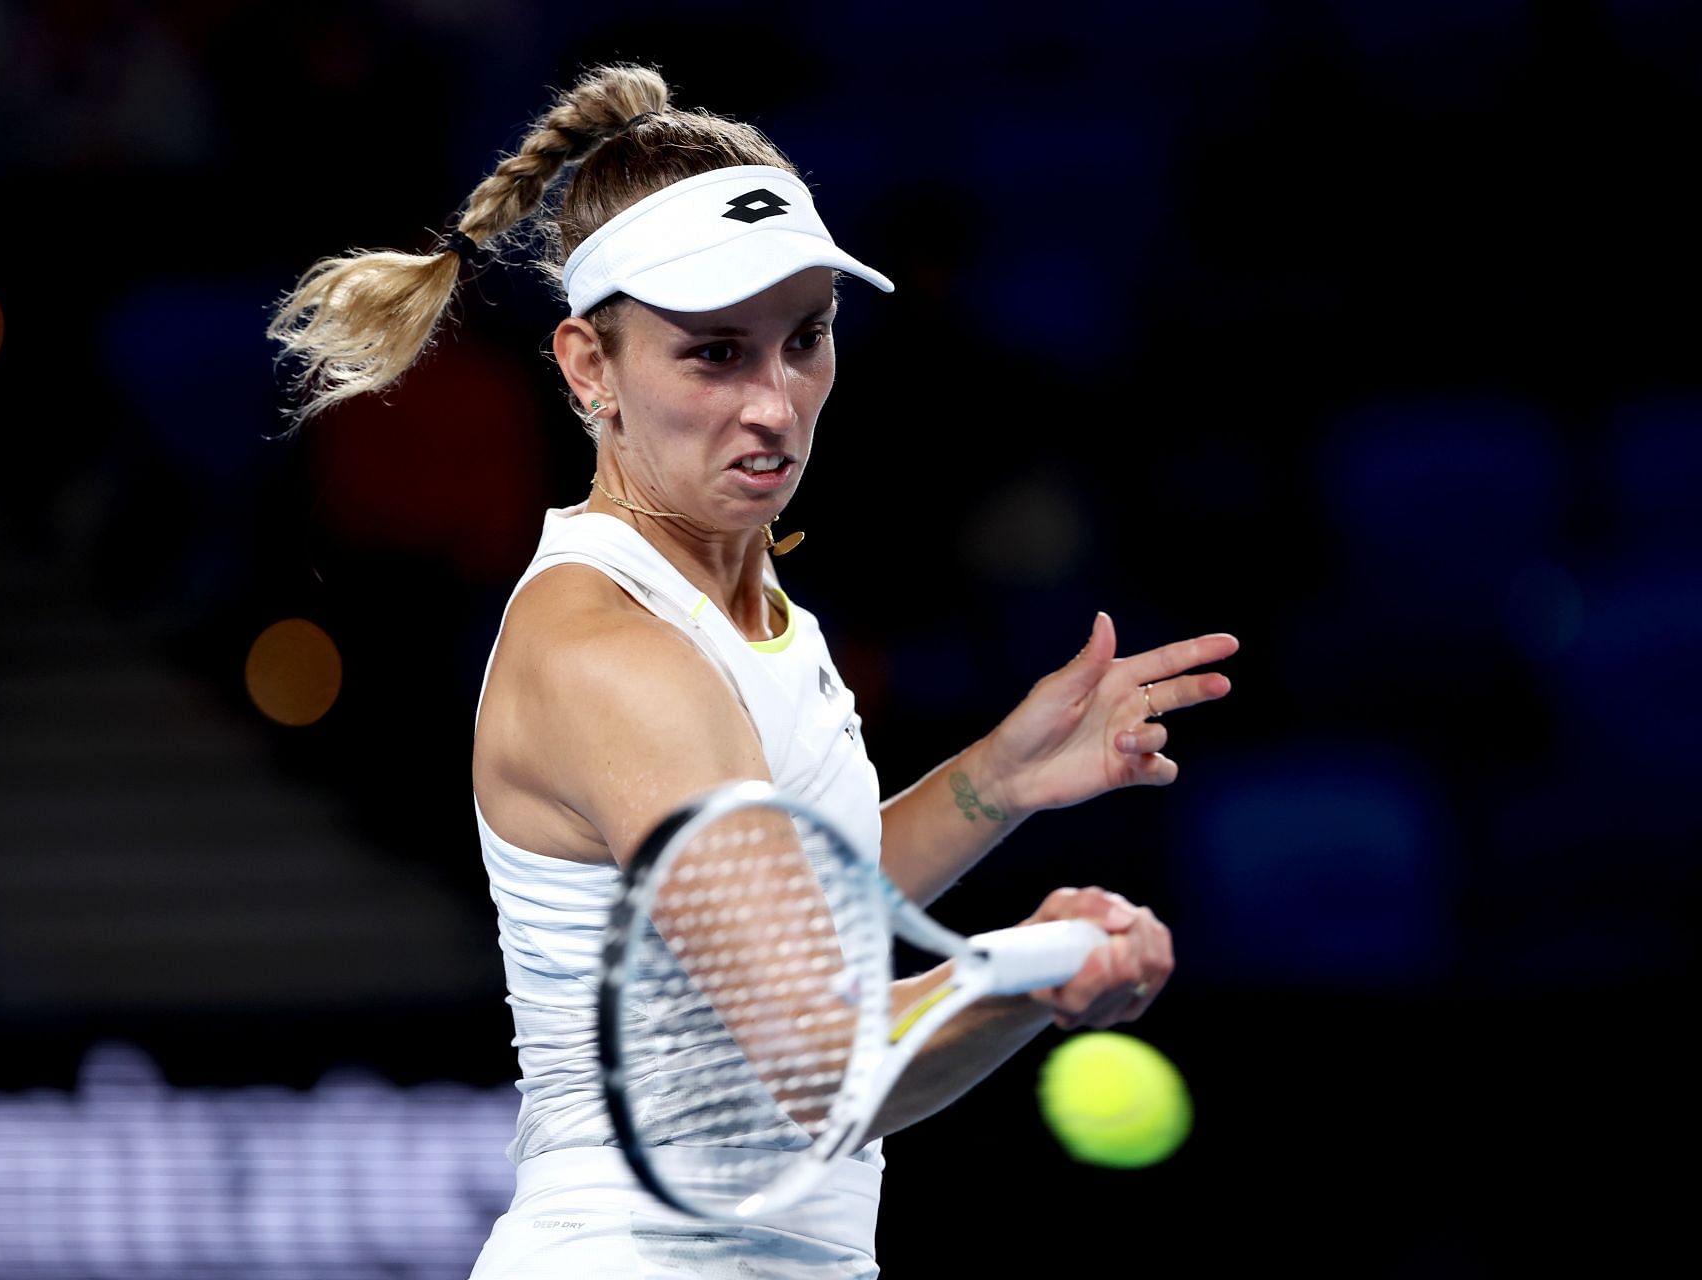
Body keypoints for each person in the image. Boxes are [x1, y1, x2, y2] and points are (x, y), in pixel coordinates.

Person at [268, 63, 1237, 1279]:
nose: (775, 405)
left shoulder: (752, 600)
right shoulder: (610, 652)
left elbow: (780, 909)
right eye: (716, 353)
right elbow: (816, 1063)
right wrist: (1033, 969)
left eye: (806, 339)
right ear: (588, 368)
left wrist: (994, 781)